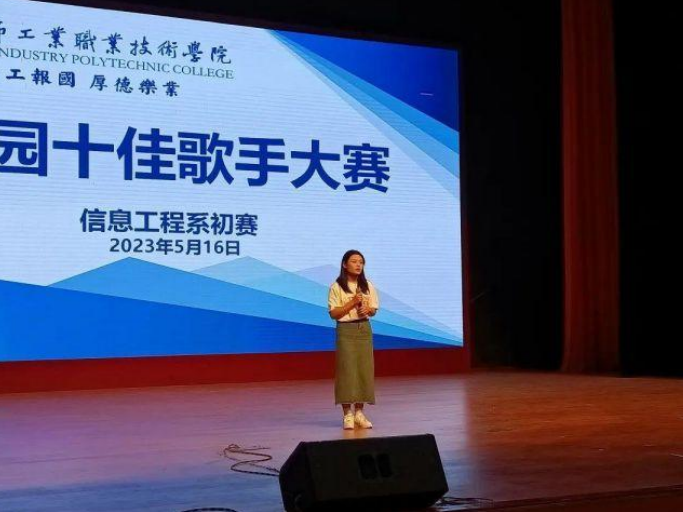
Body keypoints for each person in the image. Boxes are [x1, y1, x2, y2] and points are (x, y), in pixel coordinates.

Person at [328, 250, 379, 430]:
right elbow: (334, 313)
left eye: (361, 262)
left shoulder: (367, 285)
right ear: (344, 264)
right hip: (346, 330)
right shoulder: (337, 286)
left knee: (364, 370)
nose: (358, 265)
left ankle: (359, 413)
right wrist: (352, 303)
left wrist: (368, 310)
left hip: (364, 329)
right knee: (347, 370)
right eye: (354, 261)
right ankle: (347, 414)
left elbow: (373, 309)